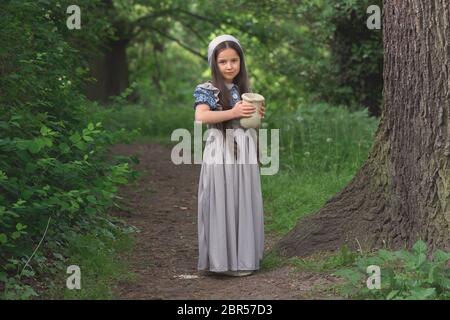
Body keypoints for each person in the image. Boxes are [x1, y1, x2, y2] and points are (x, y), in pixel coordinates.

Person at [193, 34, 266, 277]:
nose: (229, 66)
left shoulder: (243, 90)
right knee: (222, 198)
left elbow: (246, 123)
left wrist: (255, 116)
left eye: (234, 60)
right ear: (214, 63)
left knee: (242, 198)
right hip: (220, 150)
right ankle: (222, 260)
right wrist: (233, 111)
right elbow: (201, 117)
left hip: (243, 149)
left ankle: (243, 259)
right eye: (223, 61)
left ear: (240, 62)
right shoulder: (207, 89)